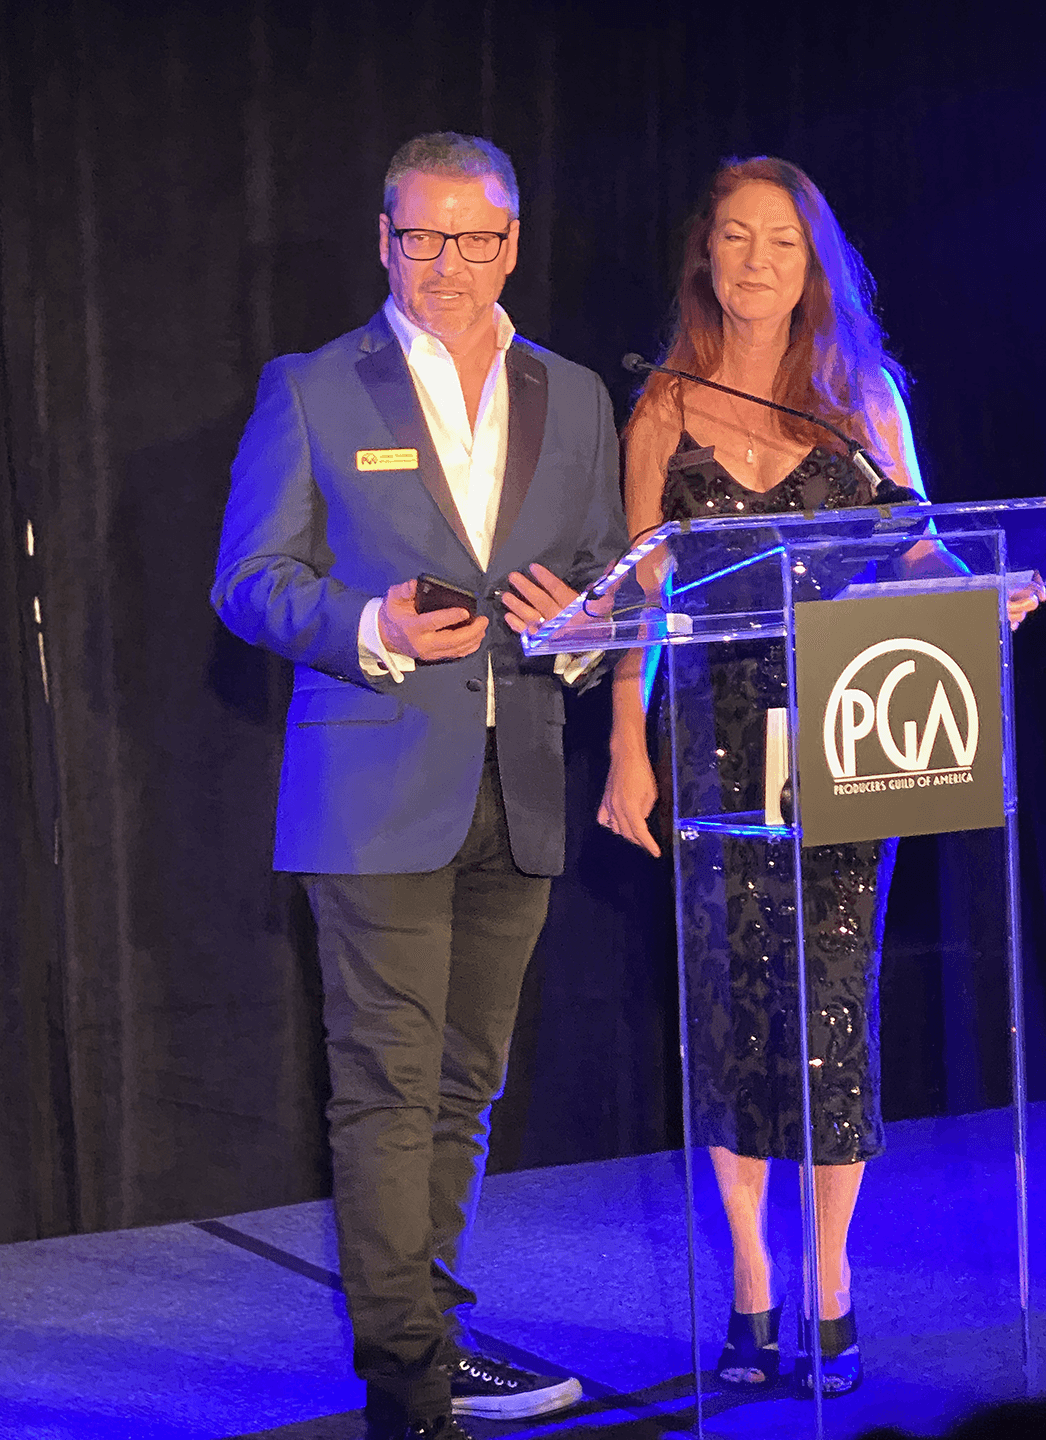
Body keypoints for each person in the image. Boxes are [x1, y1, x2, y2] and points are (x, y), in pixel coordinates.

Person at [597, 155, 1043, 1400]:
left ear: (814, 265)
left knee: (831, 1009)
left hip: (852, 734)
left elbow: (919, 545)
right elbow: (638, 596)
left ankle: (832, 1282)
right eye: (735, 236)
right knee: (730, 1015)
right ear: (706, 254)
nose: (755, 260)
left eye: (780, 242)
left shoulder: (861, 396)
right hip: (714, 740)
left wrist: (979, 589)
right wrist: (627, 747)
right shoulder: (662, 409)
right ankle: (751, 1283)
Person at [212, 132, 625, 1440]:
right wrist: (370, 623)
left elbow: (606, 573)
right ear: (383, 239)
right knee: (388, 1089)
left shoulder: (574, 395)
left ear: (514, 244)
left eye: (475, 238)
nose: (448, 263)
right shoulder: (313, 386)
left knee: (463, 1088)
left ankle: (435, 1333)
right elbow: (249, 582)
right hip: (374, 791)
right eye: (422, 237)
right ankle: (407, 1386)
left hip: (525, 782)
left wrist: (589, 628)